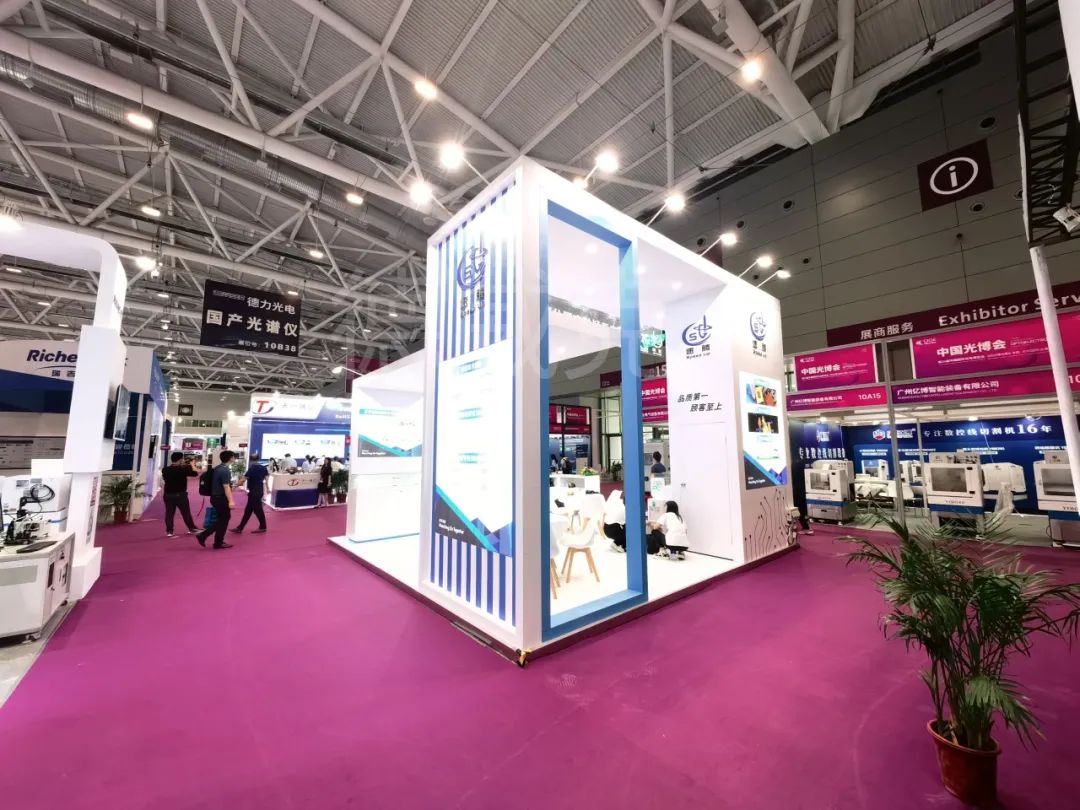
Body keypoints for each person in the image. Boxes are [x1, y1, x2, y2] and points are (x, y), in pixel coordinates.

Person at [196, 450, 235, 550]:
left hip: (215, 497)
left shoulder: (218, 468)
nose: (234, 458)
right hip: (220, 498)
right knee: (224, 519)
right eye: (233, 456)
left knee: (222, 519)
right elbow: (226, 487)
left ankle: (217, 541)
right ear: (230, 458)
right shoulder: (225, 470)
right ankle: (206, 536)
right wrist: (231, 501)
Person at [160, 451, 199, 537]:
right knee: (186, 513)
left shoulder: (165, 469)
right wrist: (192, 464)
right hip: (181, 495)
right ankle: (192, 528)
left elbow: (164, 478)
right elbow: (196, 473)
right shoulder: (184, 469)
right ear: (180, 459)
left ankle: (169, 531)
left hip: (168, 494)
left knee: (169, 513)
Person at [232, 452, 269, 534]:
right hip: (259, 491)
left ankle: (262, 527)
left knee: (257, 510)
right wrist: (268, 489)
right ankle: (240, 527)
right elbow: (266, 480)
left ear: (250, 460)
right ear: (258, 459)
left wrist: (234, 487)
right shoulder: (263, 468)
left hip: (254, 492)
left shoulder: (252, 468)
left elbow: (243, 480)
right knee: (249, 511)